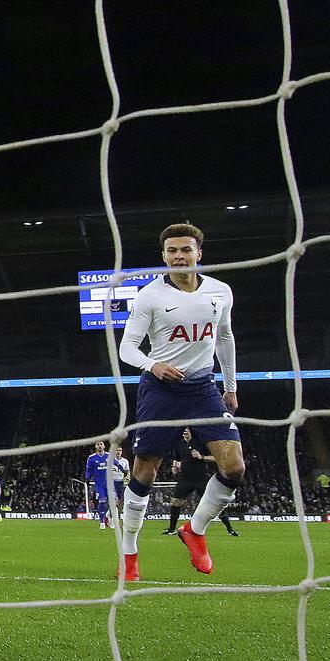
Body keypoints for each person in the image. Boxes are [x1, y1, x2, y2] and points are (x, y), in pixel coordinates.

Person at [117, 223, 243, 581]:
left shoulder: (220, 291)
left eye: (185, 250)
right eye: (172, 251)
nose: (179, 256)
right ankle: (129, 555)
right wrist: (153, 364)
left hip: (203, 387)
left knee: (234, 467)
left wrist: (230, 386)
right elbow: (127, 348)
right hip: (160, 390)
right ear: (164, 256)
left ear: (198, 253)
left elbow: (225, 337)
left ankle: (195, 530)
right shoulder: (150, 296)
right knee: (145, 470)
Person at [163, 428, 238, 537]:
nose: (185, 432)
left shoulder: (200, 443)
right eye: (183, 431)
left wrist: (201, 457)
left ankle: (230, 529)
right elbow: (177, 458)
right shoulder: (180, 444)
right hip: (185, 478)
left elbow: (215, 458)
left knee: (215, 503)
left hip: (200, 479)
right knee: (175, 501)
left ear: (190, 431)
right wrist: (174, 467)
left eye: (186, 430)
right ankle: (171, 529)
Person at [85, 441, 113, 529]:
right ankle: (102, 522)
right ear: (95, 447)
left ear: (104, 446)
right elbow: (88, 470)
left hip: (110, 484)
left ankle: (109, 518)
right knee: (102, 501)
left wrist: (123, 470)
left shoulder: (109, 455)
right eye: (98, 444)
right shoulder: (91, 458)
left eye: (101, 444)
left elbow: (116, 463)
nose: (100, 446)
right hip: (99, 485)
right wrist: (87, 478)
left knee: (114, 503)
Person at [112, 446, 129, 523]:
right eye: (117, 450)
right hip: (112, 482)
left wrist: (127, 479)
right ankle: (113, 517)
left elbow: (127, 472)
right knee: (114, 499)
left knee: (121, 500)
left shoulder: (125, 461)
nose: (118, 452)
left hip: (120, 482)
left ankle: (116, 515)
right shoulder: (110, 460)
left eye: (120, 450)